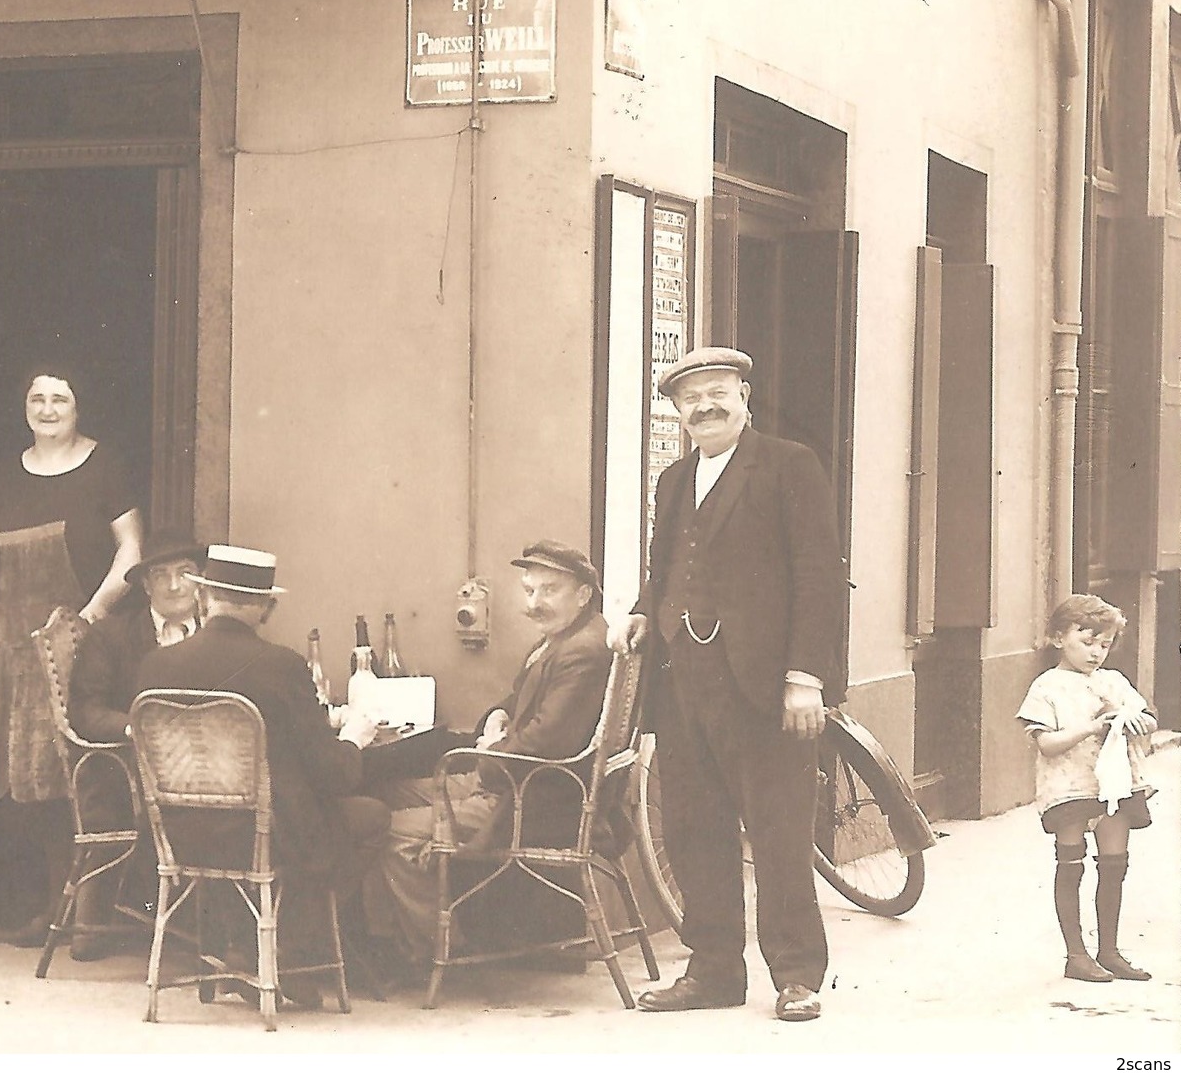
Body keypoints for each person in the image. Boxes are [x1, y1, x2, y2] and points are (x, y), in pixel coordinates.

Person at [609, 346, 848, 1023]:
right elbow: (664, 566)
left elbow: (817, 576)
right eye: (690, 398)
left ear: (744, 394)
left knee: (776, 832)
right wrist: (637, 612)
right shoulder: (672, 480)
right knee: (692, 829)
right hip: (681, 679)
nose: (704, 406)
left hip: (765, 683)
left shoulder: (787, 464)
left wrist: (805, 676)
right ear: (678, 412)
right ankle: (712, 969)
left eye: (717, 391)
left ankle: (797, 975)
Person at [133, 544, 387, 1007]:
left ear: (206, 597)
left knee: (293, 823)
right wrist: (353, 738)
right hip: (265, 835)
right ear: (266, 607)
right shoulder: (281, 666)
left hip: (178, 835)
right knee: (368, 817)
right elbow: (333, 775)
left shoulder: (156, 666)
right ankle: (284, 950)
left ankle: (244, 947)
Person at [365, 540, 612, 969]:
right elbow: (517, 705)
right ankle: (387, 939)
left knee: (386, 828)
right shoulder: (562, 640)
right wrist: (498, 717)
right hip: (513, 781)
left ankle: (432, 948)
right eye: (530, 591)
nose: (535, 604)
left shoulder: (582, 652)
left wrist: (490, 751)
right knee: (386, 794)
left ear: (584, 594)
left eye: (549, 591)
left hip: (532, 799)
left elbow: (542, 743)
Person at [0, 360, 143, 945]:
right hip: (18, 651)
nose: (47, 409)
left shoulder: (105, 466)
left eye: (60, 399)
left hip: (82, 643)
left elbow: (132, 550)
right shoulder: (5, 474)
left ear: (79, 409)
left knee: (85, 777)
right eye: (37, 398)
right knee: (31, 786)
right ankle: (55, 905)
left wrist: (90, 617)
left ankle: (89, 914)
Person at [61, 529, 205, 960]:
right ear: (145, 585)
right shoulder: (113, 636)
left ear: (203, 581)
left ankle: (217, 925)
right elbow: (85, 710)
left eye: (186, 574)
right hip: (130, 768)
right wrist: (138, 729)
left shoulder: (217, 634)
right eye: (162, 576)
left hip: (211, 764)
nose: (175, 586)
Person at [1016, 593, 1158, 983]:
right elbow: (1046, 743)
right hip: (1069, 786)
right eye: (1087, 641)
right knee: (1071, 864)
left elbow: (1147, 718)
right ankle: (1076, 955)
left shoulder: (1113, 682)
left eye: (1104, 644)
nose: (1096, 652)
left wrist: (1134, 720)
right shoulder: (1047, 687)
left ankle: (1109, 950)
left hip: (1113, 784)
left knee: (1114, 864)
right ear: (1059, 638)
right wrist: (1093, 727)